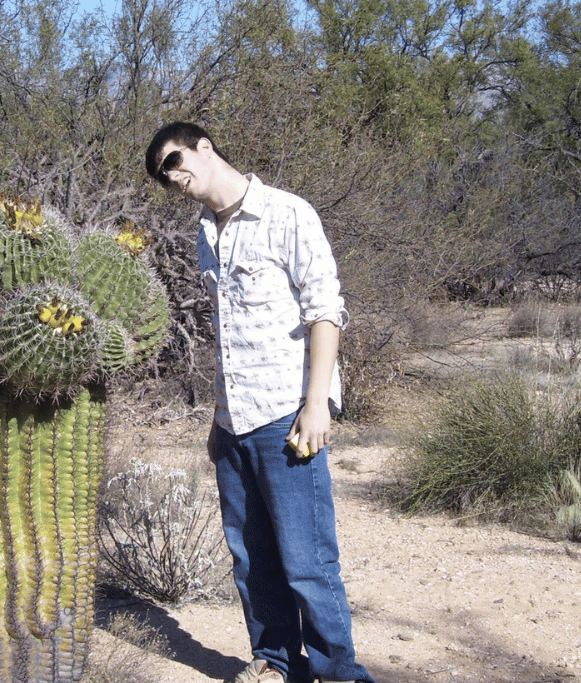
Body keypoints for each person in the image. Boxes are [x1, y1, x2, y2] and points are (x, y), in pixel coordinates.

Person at [145, 122, 375, 683]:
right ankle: (275, 665)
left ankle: (339, 674)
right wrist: (216, 420)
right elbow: (229, 335)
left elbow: (325, 310)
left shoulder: (286, 213)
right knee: (252, 563)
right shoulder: (206, 232)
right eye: (162, 174)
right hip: (233, 423)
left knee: (308, 563)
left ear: (204, 146)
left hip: (286, 417)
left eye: (174, 160)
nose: (173, 177)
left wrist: (316, 403)